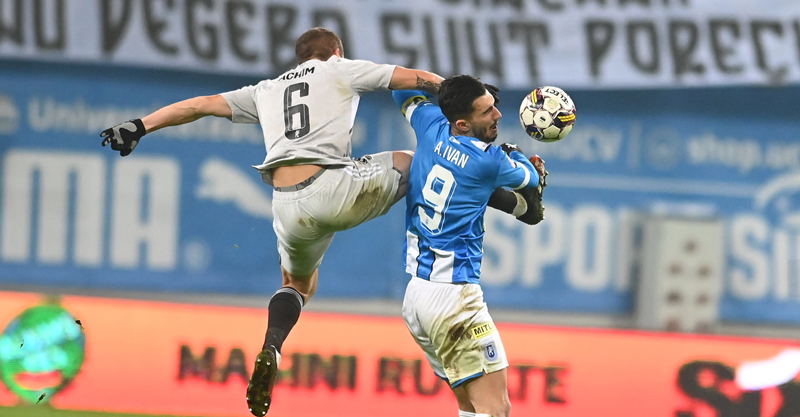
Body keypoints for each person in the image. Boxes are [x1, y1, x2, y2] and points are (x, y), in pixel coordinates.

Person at [99, 28, 444, 416]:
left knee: (298, 284)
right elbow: (411, 78)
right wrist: (457, 92)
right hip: (333, 185)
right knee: (416, 161)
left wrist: (140, 126)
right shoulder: (340, 68)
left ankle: (273, 346)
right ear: (336, 51)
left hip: (286, 205)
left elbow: (200, 105)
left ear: (299, 58)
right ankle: (463, 226)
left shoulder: (267, 89)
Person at [391, 75, 547, 417]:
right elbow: (530, 177)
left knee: (470, 407)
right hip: (454, 300)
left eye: (493, 106)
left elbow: (400, 86)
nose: (498, 115)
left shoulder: (431, 124)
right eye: (486, 111)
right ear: (462, 123)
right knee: (495, 409)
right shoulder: (488, 161)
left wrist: (445, 89)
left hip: (417, 298)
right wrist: (516, 153)